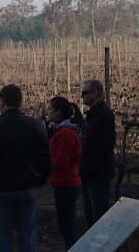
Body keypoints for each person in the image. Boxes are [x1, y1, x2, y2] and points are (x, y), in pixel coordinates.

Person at [0, 84, 51, 252]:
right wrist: (40, 179)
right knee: (27, 237)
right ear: (20, 102)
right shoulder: (35, 125)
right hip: (27, 188)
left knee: (1, 239)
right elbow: (46, 157)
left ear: (2, 102)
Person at [45, 96, 82, 250]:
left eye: (50, 110)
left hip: (66, 183)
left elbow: (61, 160)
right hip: (63, 182)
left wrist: (45, 165)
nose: (47, 113)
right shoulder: (61, 131)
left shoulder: (65, 133)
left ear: (58, 112)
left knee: (67, 224)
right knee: (65, 223)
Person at [79, 79, 115, 227]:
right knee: (90, 213)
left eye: (85, 93)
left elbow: (103, 146)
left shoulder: (104, 114)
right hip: (90, 174)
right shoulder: (93, 115)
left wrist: (88, 167)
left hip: (97, 174)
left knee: (99, 217)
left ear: (96, 93)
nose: (82, 97)